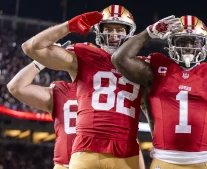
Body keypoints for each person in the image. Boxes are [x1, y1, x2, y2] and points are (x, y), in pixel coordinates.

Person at [112, 15, 207, 169]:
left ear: (203, 44)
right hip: (164, 160)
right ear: (171, 43)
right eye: (182, 41)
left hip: (203, 161)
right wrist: (149, 33)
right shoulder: (157, 67)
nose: (188, 46)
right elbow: (119, 58)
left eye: (194, 41)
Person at [21, 5, 144, 169]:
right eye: (108, 28)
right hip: (87, 148)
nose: (114, 34)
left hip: (127, 151)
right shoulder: (84, 56)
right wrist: (68, 26)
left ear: (128, 33)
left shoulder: (141, 65)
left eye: (119, 30)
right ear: (99, 31)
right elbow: (31, 47)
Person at [7, 42, 78, 169]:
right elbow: (16, 87)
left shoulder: (111, 91)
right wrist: (42, 61)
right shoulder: (62, 92)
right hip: (67, 164)